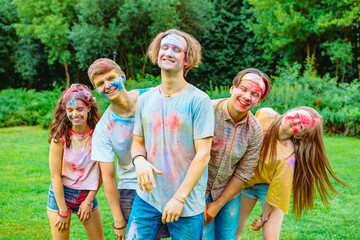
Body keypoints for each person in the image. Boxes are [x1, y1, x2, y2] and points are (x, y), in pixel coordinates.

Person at [127, 29, 215, 240]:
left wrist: (179, 198)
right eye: (164, 47)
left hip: (187, 203)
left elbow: (203, 155)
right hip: (147, 198)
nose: (168, 52)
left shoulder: (199, 100)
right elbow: (137, 142)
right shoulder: (145, 99)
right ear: (157, 53)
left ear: (187, 59)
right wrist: (139, 161)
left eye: (176, 49)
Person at [235, 107, 349, 240]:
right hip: (246, 180)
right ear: (291, 111)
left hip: (270, 187)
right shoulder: (265, 115)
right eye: (297, 115)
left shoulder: (288, 157)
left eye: (301, 125)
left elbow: (278, 190)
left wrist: (263, 217)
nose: (294, 121)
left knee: (270, 237)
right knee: (233, 230)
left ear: (299, 135)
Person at [88, 58, 169, 240]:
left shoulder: (154, 97)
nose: (107, 86)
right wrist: (119, 220)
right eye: (100, 84)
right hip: (133, 188)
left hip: (170, 180)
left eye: (110, 78)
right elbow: (108, 176)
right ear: (96, 89)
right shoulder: (104, 128)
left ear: (122, 76)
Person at [203, 68, 271, 240]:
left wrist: (218, 204)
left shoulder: (255, 131)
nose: (247, 97)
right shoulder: (207, 110)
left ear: (258, 102)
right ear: (232, 88)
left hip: (228, 191)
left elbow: (244, 172)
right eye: (243, 89)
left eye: (255, 94)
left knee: (227, 237)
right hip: (198, 188)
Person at [46, 84, 104, 240]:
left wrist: (89, 200)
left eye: (79, 109)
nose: (75, 114)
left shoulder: (99, 135)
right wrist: (62, 211)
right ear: (65, 111)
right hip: (60, 195)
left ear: (88, 108)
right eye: (70, 110)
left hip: (87, 194)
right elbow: (55, 176)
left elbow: (102, 172)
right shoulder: (60, 138)